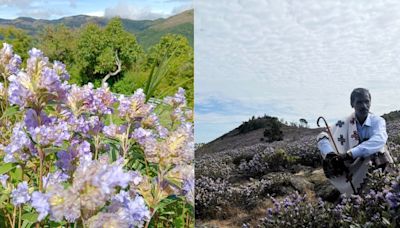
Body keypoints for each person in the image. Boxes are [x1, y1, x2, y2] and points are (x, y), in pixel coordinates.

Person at [317, 88, 393, 195]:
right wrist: (329, 154)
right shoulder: (343, 123)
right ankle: (354, 194)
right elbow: (323, 136)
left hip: (371, 162)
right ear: (352, 104)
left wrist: (349, 154)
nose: (364, 106)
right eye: (359, 102)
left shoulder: (377, 121)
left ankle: (381, 189)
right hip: (352, 165)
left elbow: (379, 139)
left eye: (366, 101)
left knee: (379, 151)